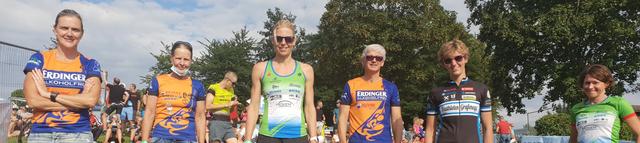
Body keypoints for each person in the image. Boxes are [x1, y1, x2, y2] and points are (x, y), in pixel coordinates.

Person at [22, 9, 102, 143]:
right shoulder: (39, 59)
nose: (69, 33)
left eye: (75, 30)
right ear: (55, 30)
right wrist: (78, 102)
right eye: (64, 28)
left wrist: (48, 94)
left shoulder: (90, 64)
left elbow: (90, 101)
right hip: (41, 133)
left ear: (82, 33)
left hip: (78, 133)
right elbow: (33, 101)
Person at [244, 19, 318, 143]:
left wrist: (314, 137)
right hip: (268, 136)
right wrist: (247, 139)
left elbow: (309, 106)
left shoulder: (306, 70)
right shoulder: (260, 68)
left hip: (298, 136)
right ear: (273, 41)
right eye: (279, 38)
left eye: (288, 39)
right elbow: (254, 106)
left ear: (294, 41)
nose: (283, 43)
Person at [425, 39, 493, 143]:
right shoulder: (436, 92)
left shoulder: (481, 89)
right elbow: (430, 130)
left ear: (466, 58)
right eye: (448, 60)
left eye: (458, 58)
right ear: (444, 64)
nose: (453, 63)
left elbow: (488, 128)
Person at [140, 41, 206, 143]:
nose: (182, 63)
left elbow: (200, 116)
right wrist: (144, 141)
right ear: (171, 59)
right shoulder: (157, 80)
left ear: (191, 61)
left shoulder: (198, 85)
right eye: (178, 58)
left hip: (188, 138)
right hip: (161, 137)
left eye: (186, 59)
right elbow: (149, 112)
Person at [337, 44, 403, 143]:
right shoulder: (351, 85)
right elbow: (342, 118)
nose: (374, 60)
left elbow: (396, 119)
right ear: (363, 61)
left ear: (382, 63)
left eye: (378, 58)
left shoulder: (391, 87)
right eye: (370, 57)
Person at [569, 64, 640, 143]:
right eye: (587, 83)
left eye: (595, 82)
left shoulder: (618, 103)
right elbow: (573, 140)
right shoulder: (576, 109)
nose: (590, 87)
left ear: (607, 84)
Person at [206, 71, 240, 143]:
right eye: (233, 83)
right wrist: (227, 104)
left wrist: (233, 105)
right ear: (227, 80)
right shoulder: (213, 88)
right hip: (216, 121)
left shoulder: (231, 90)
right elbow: (208, 106)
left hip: (227, 122)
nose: (234, 86)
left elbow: (230, 110)